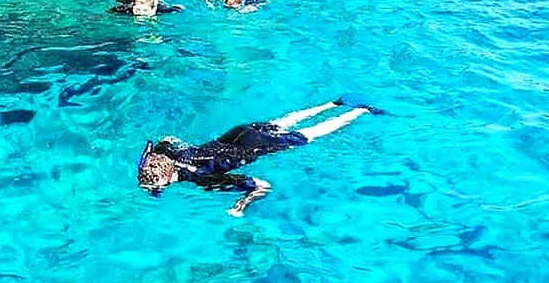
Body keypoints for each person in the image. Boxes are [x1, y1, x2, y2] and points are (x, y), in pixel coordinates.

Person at [137, 95, 385, 216]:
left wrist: (241, 206)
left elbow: (262, 185)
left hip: (253, 147)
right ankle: (334, 103)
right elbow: (164, 140)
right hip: (237, 133)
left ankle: (361, 110)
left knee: (310, 134)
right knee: (283, 122)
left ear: (165, 180)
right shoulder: (170, 153)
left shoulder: (202, 179)